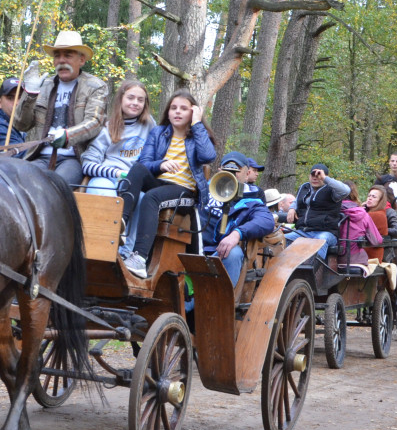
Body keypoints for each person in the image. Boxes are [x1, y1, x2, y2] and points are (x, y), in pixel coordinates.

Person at [117, 88, 216, 278]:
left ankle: (139, 258)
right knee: (137, 170)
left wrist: (196, 123)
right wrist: (161, 164)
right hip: (160, 182)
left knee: (151, 198)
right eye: (173, 108)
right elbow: (144, 163)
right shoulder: (159, 132)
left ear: (193, 112)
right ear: (167, 112)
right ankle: (119, 224)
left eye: (183, 109)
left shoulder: (198, 135)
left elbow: (208, 156)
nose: (177, 112)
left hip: (184, 191)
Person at [16, 30, 109, 186]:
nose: (61, 60)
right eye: (57, 56)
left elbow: (94, 123)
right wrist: (30, 94)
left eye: (68, 55)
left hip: (74, 159)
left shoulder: (95, 86)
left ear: (82, 60)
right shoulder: (44, 85)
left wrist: (67, 136)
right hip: (39, 157)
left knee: (55, 186)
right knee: (18, 183)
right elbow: (21, 124)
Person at [203, 152, 276, 285]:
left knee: (233, 253)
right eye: (226, 170)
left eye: (235, 171)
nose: (230, 175)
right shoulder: (203, 190)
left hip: (222, 252)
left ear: (247, 174)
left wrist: (237, 233)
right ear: (219, 170)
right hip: (194, 246)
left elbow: (267, 221)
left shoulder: (251, 199)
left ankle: (221, 303)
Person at [80, 79, 155, 196]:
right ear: (121, 99)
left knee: (142, 199)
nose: (135, 103)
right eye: (130, 98)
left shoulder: (149, 125)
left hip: (134, 182)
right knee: (105, 194)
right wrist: (117, 173)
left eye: (140, 100)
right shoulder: (107, 128)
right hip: (107, 178)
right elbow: (87, 165)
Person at [285, 163, 350, 260]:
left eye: (318, 175)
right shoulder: (304, 187)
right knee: (283, 239)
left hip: (326, 232)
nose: (315, 178)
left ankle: (315, 272)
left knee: (319, 241)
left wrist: (325, 178)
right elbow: (297, 200)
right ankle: (284, 270)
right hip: (303, 231)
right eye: (313, 175)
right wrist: (292, 208)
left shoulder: (332, 190)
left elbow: (346, 190)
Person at [340, 184, 383, 266]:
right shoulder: (362, 214)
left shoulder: (331, 211)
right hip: (354, 259)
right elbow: (376, 240)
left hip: (330, 259)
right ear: (354, 194)